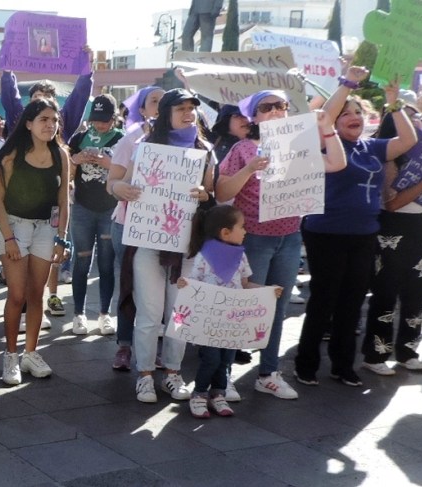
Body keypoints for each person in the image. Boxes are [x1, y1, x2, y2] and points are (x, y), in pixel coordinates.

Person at [214, 89, 347, 400]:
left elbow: (336, 163)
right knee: (244, 306)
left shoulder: (298, 146)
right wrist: (249, 169)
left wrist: (327, 128)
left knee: (277, 307)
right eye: (266, 107)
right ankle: (223, 376)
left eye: (280, 105)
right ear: (254, 117)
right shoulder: (243, 149)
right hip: (254, 239)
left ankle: (268, 373)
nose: (275, 111)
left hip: (289, 237)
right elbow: (221, 193)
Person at [294, 67, 418, 387]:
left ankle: (342, 365)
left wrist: (394, 103)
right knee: (324, 300)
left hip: (363, 235)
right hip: (326, 232)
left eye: (358, 113)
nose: (354, 117)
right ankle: (306, 364)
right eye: (346, 113)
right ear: (334, 123)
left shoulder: (372, 147)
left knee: (352, 302)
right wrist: (348, 84)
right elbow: (324, 115)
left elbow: (408, 140)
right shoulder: (324, 145)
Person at [110, 88, 215, 403]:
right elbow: (116, 183)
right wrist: (121, 189)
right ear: (167, 113)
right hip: (149, 242)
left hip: (186, 246)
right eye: (181, 108)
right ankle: (144, 375)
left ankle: (172, 372)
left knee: (179, 313)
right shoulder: (145, 147)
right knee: (150, 313)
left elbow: (213, 194)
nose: (188, 114)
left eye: (192, 108)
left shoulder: (205, 150)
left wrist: (205, 195)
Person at [360, 91, 422, 377]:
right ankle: (376, 354)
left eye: (417, 119)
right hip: (393, 228)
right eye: (410, 120)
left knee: (417, 293)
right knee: (385, 294)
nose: (417, 125)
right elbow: (392, 202)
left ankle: (408, 350)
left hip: (420, 227)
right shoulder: (388, 159)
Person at [0, 98, 71, 385]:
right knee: (17, 295)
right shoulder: (12, 155)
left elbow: (64, 200)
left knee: (37, 294)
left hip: (47, 229)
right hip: (15, 226)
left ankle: (30, 353)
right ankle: (10, 355)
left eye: (54, 120)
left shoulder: (61, 155)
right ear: (29, 124)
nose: (50, 125)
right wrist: (8, 237)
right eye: (44, 119)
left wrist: (62, 238)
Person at [178, 205, 282, 417]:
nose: (245, 231)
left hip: (232, 322)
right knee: (211, 359)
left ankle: (218, 394)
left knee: (226, 360)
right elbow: (194, 285)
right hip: (210, 322)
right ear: (225, 232)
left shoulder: (240, 257)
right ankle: (199, 394)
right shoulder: (204, 256)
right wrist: (184, 284)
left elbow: (245, 284)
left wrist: (267, 290)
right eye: (241, 227)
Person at [105, 85, 166, 371]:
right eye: (154, 101)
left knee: (159, 293)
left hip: (165, 229)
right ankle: (125, 345)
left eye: (166, 102)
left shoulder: (183, 141)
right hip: (128, 225)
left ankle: (153, 349)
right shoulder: (131, 140)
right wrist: (120, 188)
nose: (161, 106)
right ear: (142, 110)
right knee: (129, 287)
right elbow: (112, 183)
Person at [66, 94, 124, 336]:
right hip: (82, 207)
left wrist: (107, 163)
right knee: (81, 261)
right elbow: (65, 171)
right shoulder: (79, 138)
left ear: (114, 118)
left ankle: (104, 314)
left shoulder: (122, 139)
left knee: (106, 263)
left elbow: (129, 172)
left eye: (105, 120)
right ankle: (78, 313)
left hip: (110, 208)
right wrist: (76, 159)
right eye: (96, 119)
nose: (99, 124)